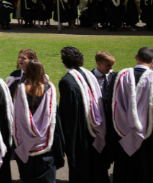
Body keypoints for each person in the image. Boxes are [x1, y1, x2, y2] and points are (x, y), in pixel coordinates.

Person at [58, 46, 107, 183]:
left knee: (80, 164)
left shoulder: (67, 81)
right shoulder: (89, 74)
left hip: (79, 129)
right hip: (94, 125)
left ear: (64, 63)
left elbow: (68, 113)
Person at [13, 59, 64, 183]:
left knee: (29, 172)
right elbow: (53, 115)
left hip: (26, 137)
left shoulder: (21, 89)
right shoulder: (49, 88)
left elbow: (18, 115)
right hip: (46, 137)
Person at [111, 46, 153, 182]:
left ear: (136, 57)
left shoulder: (120, 77)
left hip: (123, 130)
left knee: (125, 166)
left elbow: (112, 103)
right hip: (149, 133)